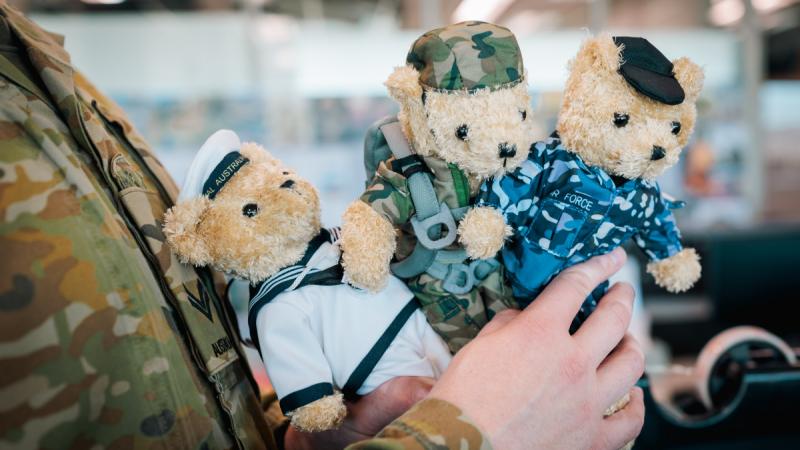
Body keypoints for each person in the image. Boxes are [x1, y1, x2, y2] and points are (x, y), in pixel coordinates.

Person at [0, 3, 644, 449]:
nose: (286, 194)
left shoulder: (40, 68)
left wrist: (306, 439)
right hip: (440, 324)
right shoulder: (396, 181)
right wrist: (474, 433)